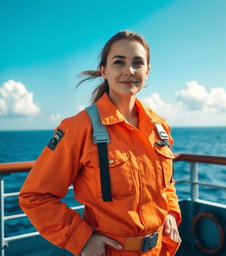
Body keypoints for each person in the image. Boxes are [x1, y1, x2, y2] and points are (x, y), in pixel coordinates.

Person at [19, 30, 182, 256]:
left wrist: (172, 214)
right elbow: (35, 196)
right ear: (104, 71)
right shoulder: (80, 127)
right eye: (119, 62)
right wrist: (82, 240)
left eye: (137, 62)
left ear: (148, 71)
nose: (129, 70)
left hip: (160, 250)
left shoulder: (159, 128)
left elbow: (167, 185)